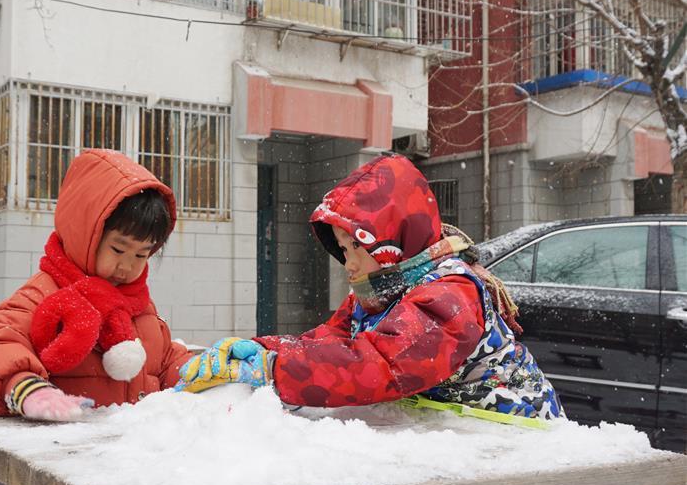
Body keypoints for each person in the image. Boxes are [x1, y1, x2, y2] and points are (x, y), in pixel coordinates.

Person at [177, 154, 563, 421]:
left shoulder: (450, 294)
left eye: (359, 247)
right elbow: (332, 341)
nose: (350, 264)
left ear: (395, 240)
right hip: (459, 432)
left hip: (518, 433)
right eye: (344, 250)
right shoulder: (378, 289)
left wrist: (274, 369)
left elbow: (381, 364)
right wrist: (264, 348)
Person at [0, 149, 191, 485]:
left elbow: (158, 359)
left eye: (142, 255)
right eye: (118, 249)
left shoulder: (136, 305)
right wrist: (26, 387)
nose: (128, 266)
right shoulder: (45, 293)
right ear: (85, 231)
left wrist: (192, 371)